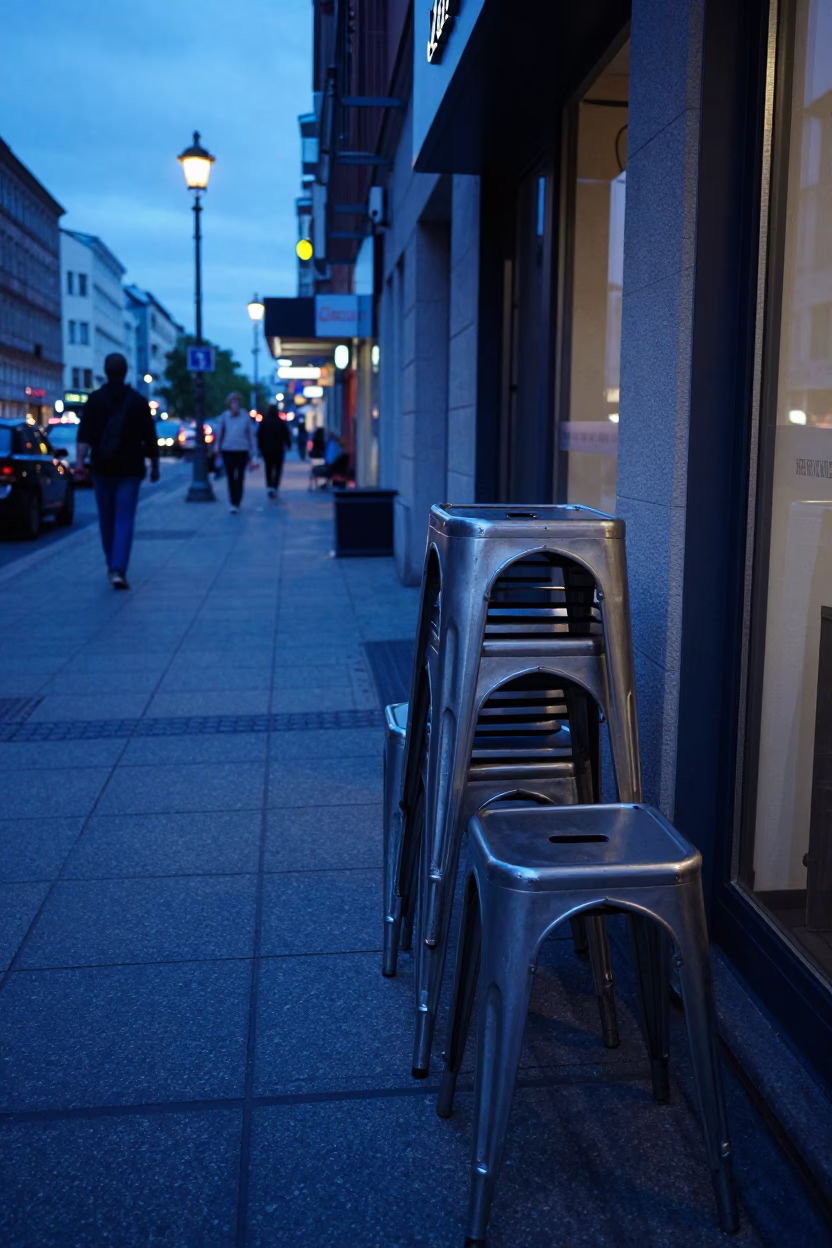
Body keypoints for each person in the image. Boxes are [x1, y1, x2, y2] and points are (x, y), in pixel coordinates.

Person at [76, 352, 158, 589]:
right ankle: (118, 568)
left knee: (106, 519)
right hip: (130, 469)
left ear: (105, 371)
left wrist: (80, 463)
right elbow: (150, 438)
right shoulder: (138, 402)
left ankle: (111, 562)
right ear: (125, 372)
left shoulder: (94, 401)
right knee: (124, 519)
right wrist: (154, 465)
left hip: (102, 468)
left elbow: (84, 436)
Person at [214, 392, 258, 512]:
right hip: (228, 450)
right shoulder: (224, 417)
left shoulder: (245, 417)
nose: (234, 405)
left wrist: (253, 451)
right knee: (230, 476)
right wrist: (217, 448)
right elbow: (220, 433)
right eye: (232, 402)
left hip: (242, 450)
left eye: (236, 402)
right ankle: (232, 501)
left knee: (239, 476)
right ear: (229, 404)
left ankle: (237, 501)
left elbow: (250, 435)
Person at [257, 404, 292, 498]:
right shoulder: (280, 422)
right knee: (278, 468)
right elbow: (286, 434)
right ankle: (275, 486)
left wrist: (259, 448)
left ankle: (269, 486)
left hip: (267, 449)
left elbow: (259, 436)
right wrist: (288, 445)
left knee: (268, 468)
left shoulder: (264, 422)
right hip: (278, 449)